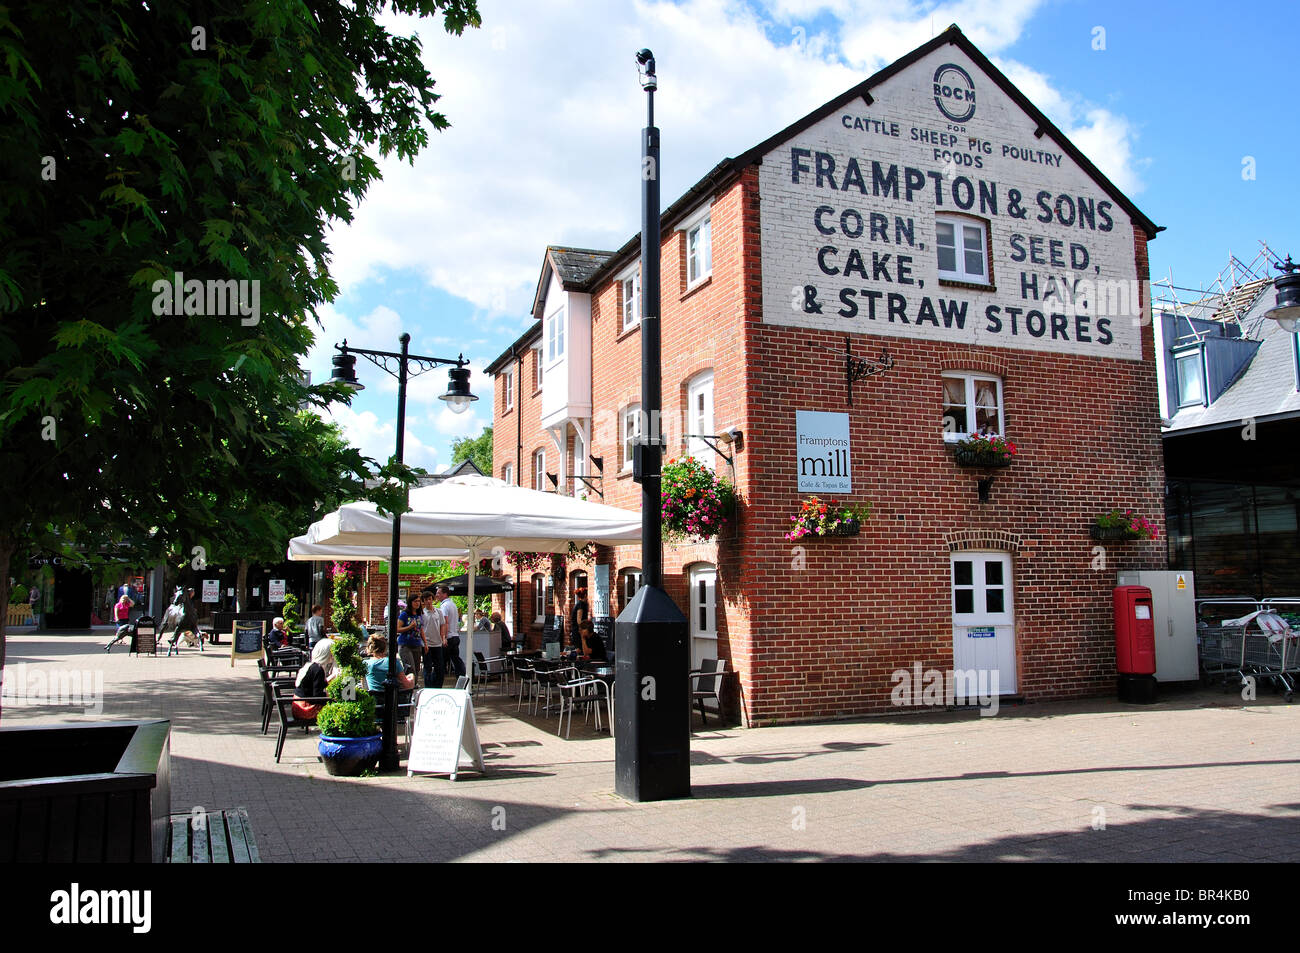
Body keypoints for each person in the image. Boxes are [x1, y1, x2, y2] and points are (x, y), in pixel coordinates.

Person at [292, 638, 336, 720]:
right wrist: (332, 697)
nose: (333, 657)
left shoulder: (311, 665)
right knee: (337, 708)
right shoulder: (318, 669)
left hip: (299, 706)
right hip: (306, 709)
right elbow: (317, 696)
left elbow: (314, 686)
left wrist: (330, 678)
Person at [396, 595, 425, 689]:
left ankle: (414, 685)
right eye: (415, 601)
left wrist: (425, 643)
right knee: (410, 667)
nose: (417, 603)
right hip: (405, 644)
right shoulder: (404, 614)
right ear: (410, 603)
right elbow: (398, 629)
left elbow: (421, 630)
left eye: (418, 601)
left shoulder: (419, 614)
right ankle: (409, 688)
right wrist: (409, 627)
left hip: (417, 644)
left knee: (417, 668)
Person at [437, 585, 465, 679]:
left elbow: (445, 622)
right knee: (456, 659)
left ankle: (437, 682)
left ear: (445, 594)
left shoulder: (444, 606)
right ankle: (462, 678)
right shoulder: (452, 604)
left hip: (449, 637)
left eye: (439, 593)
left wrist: (443, 637)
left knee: (440, 661)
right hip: (455, 635)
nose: (437, 595)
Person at [422, 593, 446, 690]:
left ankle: (438, 686)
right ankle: (428, 687)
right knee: (427, 667)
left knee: (439, 667)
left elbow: (443, 624)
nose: (428, 601)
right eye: (426, 599)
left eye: (430, 599)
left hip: (437, 643)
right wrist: (424, 643)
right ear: (423, 601)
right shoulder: (422, 613)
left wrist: (443, 637)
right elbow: (421, 629)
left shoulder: (439, 612)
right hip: (427, 643)